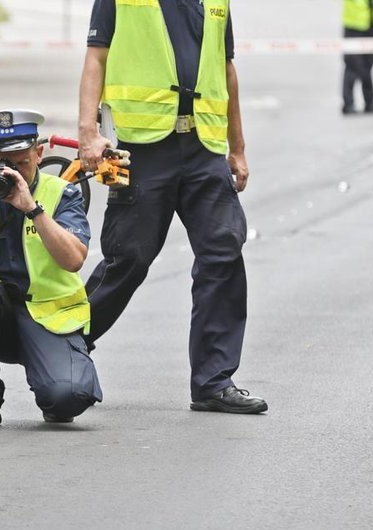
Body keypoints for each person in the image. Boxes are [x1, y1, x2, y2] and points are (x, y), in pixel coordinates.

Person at [77, 0, 267, 414]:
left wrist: (237, 147)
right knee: (128, 258)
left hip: (204, 148)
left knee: (223, 250)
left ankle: (214, 382)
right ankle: (64, 347)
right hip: (143, 148)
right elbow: (97, 57)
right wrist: (88, 133)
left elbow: (226, 68)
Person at [0, 109, 103, 430]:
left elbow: (74, 259)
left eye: (21, 163)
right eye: (4, 163)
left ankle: (53, 380)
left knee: (68, 398)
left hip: (46, 319)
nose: (14, 173)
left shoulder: (60, 193)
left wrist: (32, 208)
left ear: (39, 153)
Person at [342, 0, 373, 115]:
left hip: (370, 25)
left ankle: (369, 103)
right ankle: (348, 103)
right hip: (354, 26)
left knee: (368, 66)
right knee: (352, 66)